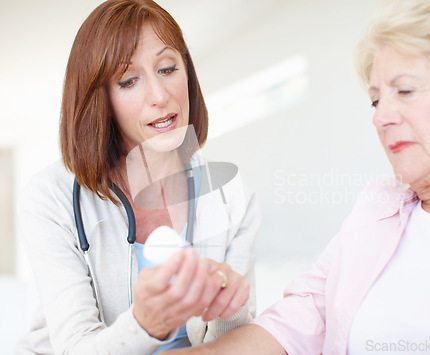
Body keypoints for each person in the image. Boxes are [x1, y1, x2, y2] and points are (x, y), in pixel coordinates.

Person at [164, 0, 430, 354]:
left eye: (404, 91)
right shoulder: (376, 212)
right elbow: (293, 323)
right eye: (375, 101)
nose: (380, 117)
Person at [16, 0, 260, 354]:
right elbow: (75, 347)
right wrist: (147, 324)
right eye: (129, 80)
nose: (160, 96)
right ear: (99, 100)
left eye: (167, 68)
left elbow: (236, 342)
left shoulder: (232, 196)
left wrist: (230, 307)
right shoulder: (48, 198)